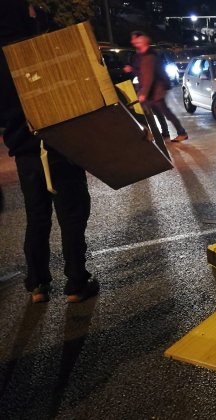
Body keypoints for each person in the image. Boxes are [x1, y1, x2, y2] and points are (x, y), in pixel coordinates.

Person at [1, 0, 98, 303]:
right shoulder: (39, 49)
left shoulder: (2, 58)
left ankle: (37, 284)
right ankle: (76, 283)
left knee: (37, 217)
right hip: (58, 144)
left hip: (25, 152)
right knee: (71, 213)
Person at [125, 31, 188, 143]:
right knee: (159, 112)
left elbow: (148, 76)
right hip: (152, 89)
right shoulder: (142, 54)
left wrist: (143, 93)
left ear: (143, 41)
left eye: (136, 40)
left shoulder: (149, 56)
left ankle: (179, 133)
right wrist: (132, 70)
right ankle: (165, 133)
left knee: (160, 112)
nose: (133, 42)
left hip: (156, 89)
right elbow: (142, 72)